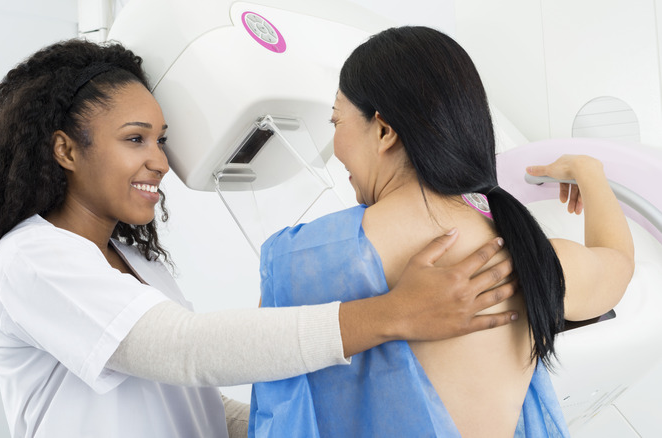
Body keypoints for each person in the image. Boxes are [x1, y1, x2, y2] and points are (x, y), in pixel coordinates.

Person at [0, 38, 519, 438]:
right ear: (66, 149)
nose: (161, 162)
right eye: (136, 139)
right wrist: (394, 313)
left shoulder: (131, 261)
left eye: (161, 140)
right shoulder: (33, 259)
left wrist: (310, 424)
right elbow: (185, 350)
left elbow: (194, 407)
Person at [248, 26, 635, 438]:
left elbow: (262, 371)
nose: (336, 142)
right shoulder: (528, 255)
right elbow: (620, 266)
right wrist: (590, 174)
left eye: (336, 119)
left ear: (383, 131)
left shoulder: (303, 261)